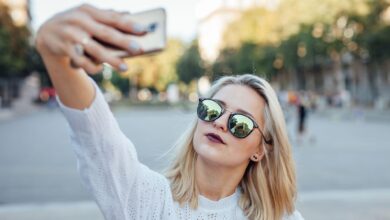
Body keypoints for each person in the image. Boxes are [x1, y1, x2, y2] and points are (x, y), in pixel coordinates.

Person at [36, 4, 304, 220]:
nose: (221, 123)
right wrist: (55, 56)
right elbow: (96, 134)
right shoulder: (145, 197)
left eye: (240, 123)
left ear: (261, 149)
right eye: (212, 110)